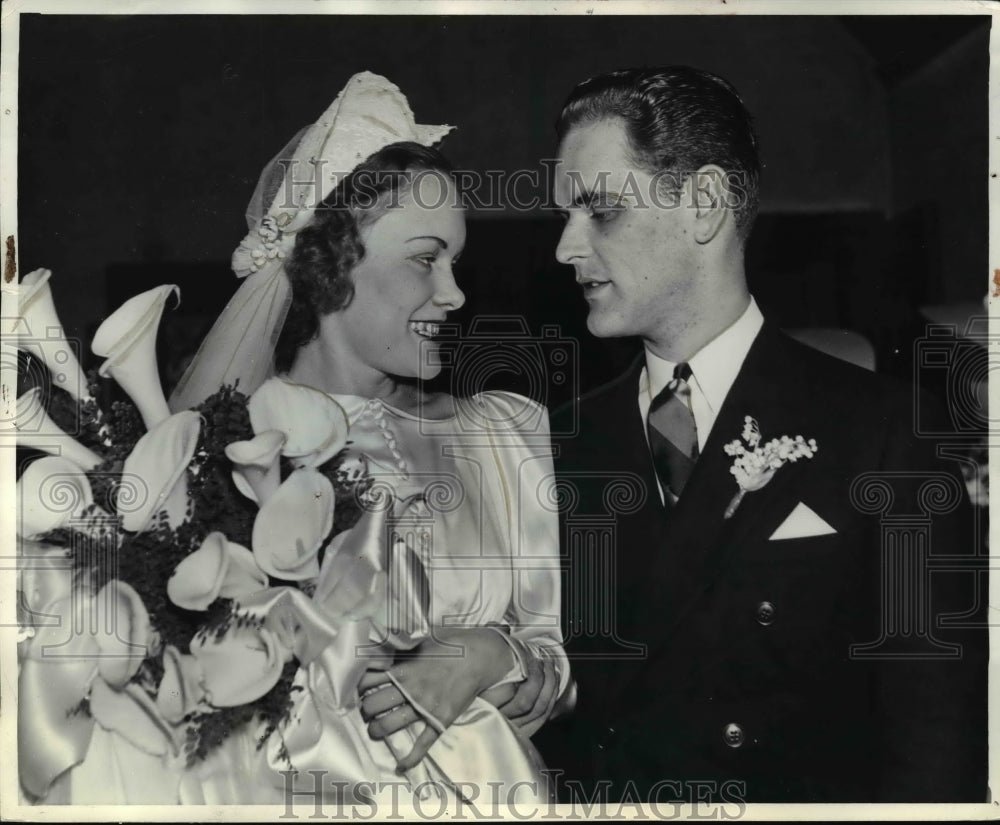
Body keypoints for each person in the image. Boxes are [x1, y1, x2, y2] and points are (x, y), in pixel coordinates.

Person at [527, 66, 987, 803]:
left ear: (705, 205)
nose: (564, 249)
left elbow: (935, 746)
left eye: (601, 210)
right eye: (564, 216)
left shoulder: (886, 432)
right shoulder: (553, 443)